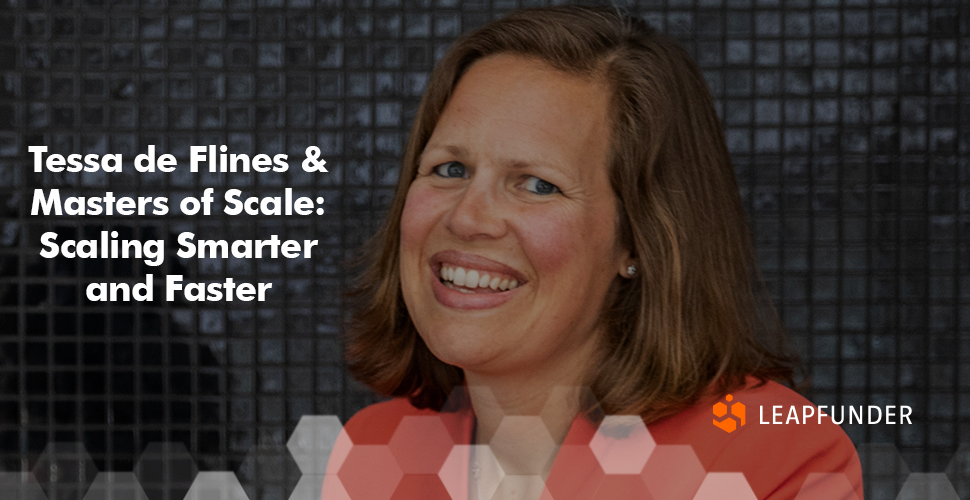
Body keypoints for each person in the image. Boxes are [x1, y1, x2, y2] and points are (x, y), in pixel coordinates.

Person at [326, 5, 863, 500]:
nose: (466, 218)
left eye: (537, 184)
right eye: (450, 169)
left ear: (640, 239)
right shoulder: (373, 452)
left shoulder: (774, 454)